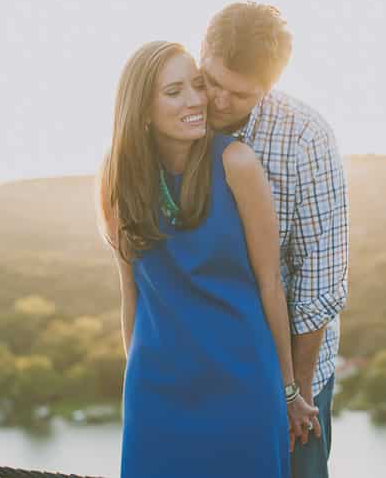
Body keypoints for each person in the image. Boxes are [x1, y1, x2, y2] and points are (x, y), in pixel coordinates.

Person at [96, 40, 318, 478]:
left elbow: (271, 285)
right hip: (158, 390)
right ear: (141, 108)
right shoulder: (117, 176)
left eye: (196, 85)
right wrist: (137, 380)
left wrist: (288, 389)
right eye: (174, 92)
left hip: (243, 385)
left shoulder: (237, 163)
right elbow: (131, 293)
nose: (197, 100)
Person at [200, 2, 349, 478]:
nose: (218, 103)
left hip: (291, 368)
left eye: (239, 95)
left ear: (269, 88)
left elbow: (318, 287)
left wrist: (296, 395)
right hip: (206, 363)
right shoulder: (173, 109)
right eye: (212, 82)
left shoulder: (305, 138)